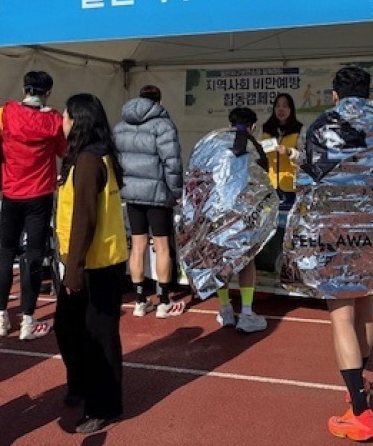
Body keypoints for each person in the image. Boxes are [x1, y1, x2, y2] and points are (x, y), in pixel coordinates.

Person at [282, 67, 373, 442]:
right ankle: (359, 386)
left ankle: (360, 412)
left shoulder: (322, 128)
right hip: (371, 234)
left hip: (334, 234)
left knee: (341, 318)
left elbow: (307, 182)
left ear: (335, 95)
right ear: (368, 95)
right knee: (365, 307)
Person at [54, 93, 128, 435]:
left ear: (77, 120)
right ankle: (82, 385)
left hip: (94, 264)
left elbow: (84, 219)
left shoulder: (88, 160)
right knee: (69, 328)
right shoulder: (93, 155)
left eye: (65, 116)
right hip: (92, 261)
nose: (62, 122)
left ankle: (104, 406)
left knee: (99, 337)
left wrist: (73, 271)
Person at [0, 71, 67, 341]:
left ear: (25, 89)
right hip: (40, 196)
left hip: (12, 195)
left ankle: (0, 318)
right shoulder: (54, 119)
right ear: (47, 93)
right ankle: (28, 320)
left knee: (6, 255)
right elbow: (64, 151)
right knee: (35, 257)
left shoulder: (3, 113)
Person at [178, 107, 279, 334]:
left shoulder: (211, 141)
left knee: (218, 259)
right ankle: (246, 313)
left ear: (229, 122)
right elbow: (263, 179)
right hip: (242, 214)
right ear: (253, 126)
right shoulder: (252, 145)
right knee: (246, 259)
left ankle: (225, 309)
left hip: (213, 213)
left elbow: (196, 175)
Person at [113, 84, 184, 318]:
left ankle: (140, 300)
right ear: (159, 101)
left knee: (138, 245)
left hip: (132, 193)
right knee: (162, 246)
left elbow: (115, 161)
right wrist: (177, 191)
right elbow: (172, 163)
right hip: (158, 194)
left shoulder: (120, 126)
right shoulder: (164, 125)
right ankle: (163, 301)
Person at [261, 93, 303, 211]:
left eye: (285, 106)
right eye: (278, 106)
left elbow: (303, 156)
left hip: (291, 186)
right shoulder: (265, 128)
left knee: (289, 218)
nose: (281, 109)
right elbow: (259, 155)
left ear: (291, 109)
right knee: (269, 218)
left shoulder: (299, 129)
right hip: (270, 186)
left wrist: (289, 151)